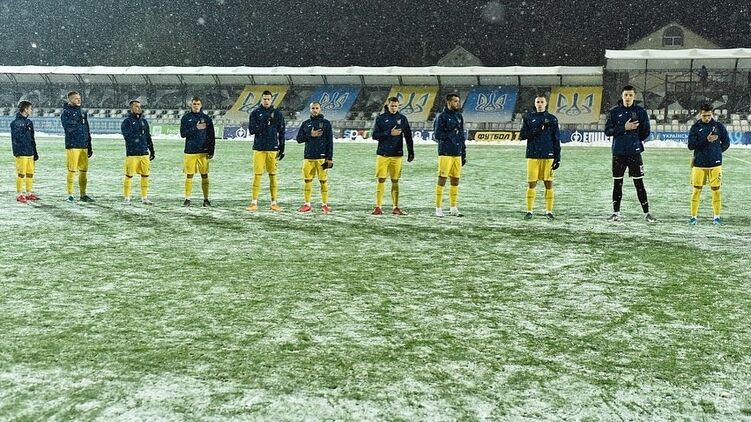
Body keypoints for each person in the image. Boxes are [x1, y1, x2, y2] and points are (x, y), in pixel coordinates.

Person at [604, 85, 656, 223]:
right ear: (622, 96)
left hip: (634, 153)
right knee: (617, 183)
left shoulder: (640, 111)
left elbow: (646, 131)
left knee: (639, 184)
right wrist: (624, 128)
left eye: (630, 95)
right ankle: (616, 213)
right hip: (618, 153)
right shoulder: (614, 112)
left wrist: (635, 140)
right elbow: (608, 131)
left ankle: (647, 213)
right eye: (626, 95)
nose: (628, 97)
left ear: (634, 96)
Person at [370, 96, 415, 215]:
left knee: (395, 181)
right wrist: (389, 133)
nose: (394, 108)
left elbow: (408, 136)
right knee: (381, 180)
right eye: (392, 106)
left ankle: (396, 207)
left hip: (397, 154)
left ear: (398, 106)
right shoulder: (380, 118)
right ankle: (378, 207)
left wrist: (411, 152)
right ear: (388, 105)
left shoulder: (402, 119)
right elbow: (374, 135)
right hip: (383, 154)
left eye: (396, 106)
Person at [688, 103, 730, 225]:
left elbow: (726, 142)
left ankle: (717, 217)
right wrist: (706, 140)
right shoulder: (695, 127)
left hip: (715, 164)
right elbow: (691, 145)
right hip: (699, 164)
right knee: (696, 191)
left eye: (709, 115)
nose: (706, 118)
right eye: (704, 115)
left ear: (712, 114)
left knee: (716, 191)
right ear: (700, 114)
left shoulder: (719, 127)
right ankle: (693, 217)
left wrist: (716, 152)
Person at [520, 95, 561, 220]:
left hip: (548, 155)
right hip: (533, 155)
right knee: (531, 184)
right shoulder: (528, 117)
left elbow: (556, 139)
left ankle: (549, 211)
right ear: (535, 103)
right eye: (537, 101)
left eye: (542, 102)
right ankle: (529, 211)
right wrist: (537, 130)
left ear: (546, 103)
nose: (539, 104)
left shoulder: (552, 119)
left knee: (549, 184)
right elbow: (522, 135)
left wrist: (557, 157)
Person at [247, 90, 285, 212]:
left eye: (268, 99)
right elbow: (252, 130)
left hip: (272, 148)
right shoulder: (255, 113)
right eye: (264, 99)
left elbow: (282, 131)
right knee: (257, 175)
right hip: (259, 148)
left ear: (271, 100)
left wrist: (282, 147)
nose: (266, 101)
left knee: (272, 175)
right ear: (261, 99)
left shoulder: (277, 113)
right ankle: (254, 202)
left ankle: (274, 202)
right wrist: (265, 123)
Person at [295, 102, 334, 214]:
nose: (315, 110)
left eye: (317, 108)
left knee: (323, 181)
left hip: (322, 158)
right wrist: (310, 135)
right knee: (307, 181)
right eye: (313, 108)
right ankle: (307, 204)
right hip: (308, 157)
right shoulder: (306, 123)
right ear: (310, 109)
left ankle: (325, 204)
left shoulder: (326, 123)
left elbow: (329, 141)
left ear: (320, 109)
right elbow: (299, 139)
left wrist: (329, 158)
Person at [433, 93, 466, 217]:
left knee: (455, 180)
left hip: (457, 153)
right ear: (449, 102)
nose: (458, 103)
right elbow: (437, 135)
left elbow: (461, 136)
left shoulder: (459, 116)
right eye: (455, 101)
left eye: (458, 101)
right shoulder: (441, 117)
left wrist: (463, 153)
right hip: (445, 153)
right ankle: (438, 208)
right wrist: (451, 134)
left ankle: (453, 208)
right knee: (442, 179)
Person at [180, 96, 215, 207]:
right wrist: (196, 128)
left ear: (201, 105)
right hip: (190, 151)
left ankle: (206, 199)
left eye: (198, 104)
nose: (196, 106)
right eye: (194, 104)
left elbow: (211, 135)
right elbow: (183, 134)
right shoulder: (186, 118)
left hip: (203, 152)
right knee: (189, 175)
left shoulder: (206, 118)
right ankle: (187, 199)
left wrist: (211, 150)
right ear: (191, 105)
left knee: (204, 175)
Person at [60, 91, 94, 203]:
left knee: (83, 171)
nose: (79, 100)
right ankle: (70, 195)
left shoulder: (82, 112)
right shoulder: (66, 113)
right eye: (76, 98)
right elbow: (68, 127)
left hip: (83, 145)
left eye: (79, 98)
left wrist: (89, 145)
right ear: (70, 100)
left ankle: (83, 194)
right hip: (73, 145)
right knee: (72, 170)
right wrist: (77, 120)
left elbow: (87, 129)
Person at [121, 100, 155, 205]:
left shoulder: (144, 121)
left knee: (145, 175)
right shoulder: (127, 122)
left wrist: (152, 150)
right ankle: (127, 198)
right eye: (136, 106)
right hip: (132, 154)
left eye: (140, 106)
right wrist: (138, 134)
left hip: (144, 153)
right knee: (129, 176)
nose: (139, 108)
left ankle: (144, 197)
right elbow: (127, 136)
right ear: (131, 108)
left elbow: (148, 137)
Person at [10, 100, 39, 203]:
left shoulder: (29, 122)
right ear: (25, 109)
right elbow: (16, 139)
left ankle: (29, 193)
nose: (31, 110)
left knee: (30, 173)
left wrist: (35, 151)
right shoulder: (15, 123)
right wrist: (17, 152)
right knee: (21, 174)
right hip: (21, 152)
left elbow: (32, 138)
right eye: (30, 108)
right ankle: (19, 194)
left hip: (30, 152)